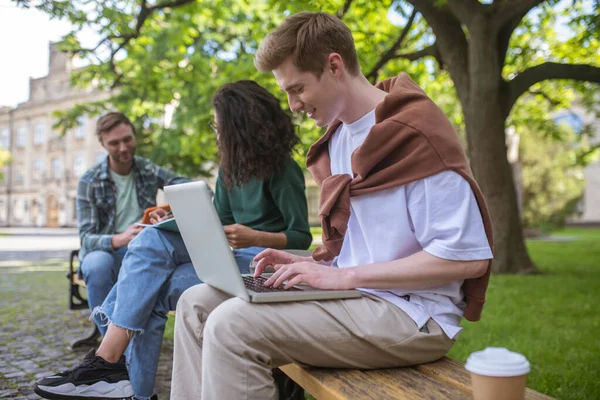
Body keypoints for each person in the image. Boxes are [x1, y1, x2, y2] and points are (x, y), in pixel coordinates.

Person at [169, 11, 495, 400]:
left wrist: (345, 276)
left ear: (334, 66)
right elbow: (364, 248)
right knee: (195, 302)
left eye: (298, 88)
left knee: (231, 325)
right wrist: (315, 265)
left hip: (414, 317)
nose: (292, 105)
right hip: (358, 299)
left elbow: (466, 258)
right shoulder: (338, 138)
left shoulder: (416, 134)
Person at [33, 81, 312, 400]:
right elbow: (218, 222)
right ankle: (113, 371)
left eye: (218, 125)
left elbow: (300, 238)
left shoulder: (283, 169)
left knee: (150, 293)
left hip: (261, 264)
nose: (216, 132)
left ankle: (115, 375)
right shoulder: (228, 170)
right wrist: (178, 222)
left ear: (240, 126)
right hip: (226, 258)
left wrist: (254, 235)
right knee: (152, 238)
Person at [76, 111, 189, 322]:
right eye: (114, 143)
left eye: (127, 139)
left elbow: (187, 185)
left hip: (142, 249)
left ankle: (135, 338)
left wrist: (167, 209)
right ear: (103, 145)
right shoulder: (89, 181)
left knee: (160, 260)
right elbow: (86, 238)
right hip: (107, 252)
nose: (123, 148)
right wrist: (119, 239)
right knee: (97, 265)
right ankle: (110, 348)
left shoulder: (146, 169)